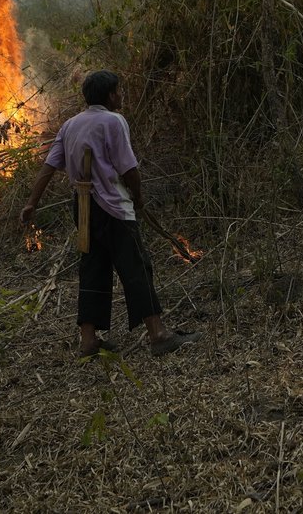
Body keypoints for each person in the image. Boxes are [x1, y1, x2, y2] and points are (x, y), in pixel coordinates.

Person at [22, 70, 199, 358]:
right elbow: (129, 168)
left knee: (93, 268)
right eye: (119, 90)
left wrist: (32, 202)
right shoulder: (113, 121)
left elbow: (48, 167)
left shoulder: (69, 125)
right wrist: (138, 197)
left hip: (82, 208)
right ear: (110, 95)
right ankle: (158, 334)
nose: (122, 95)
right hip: (113, 207)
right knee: (136, 267)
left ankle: (88, 340)